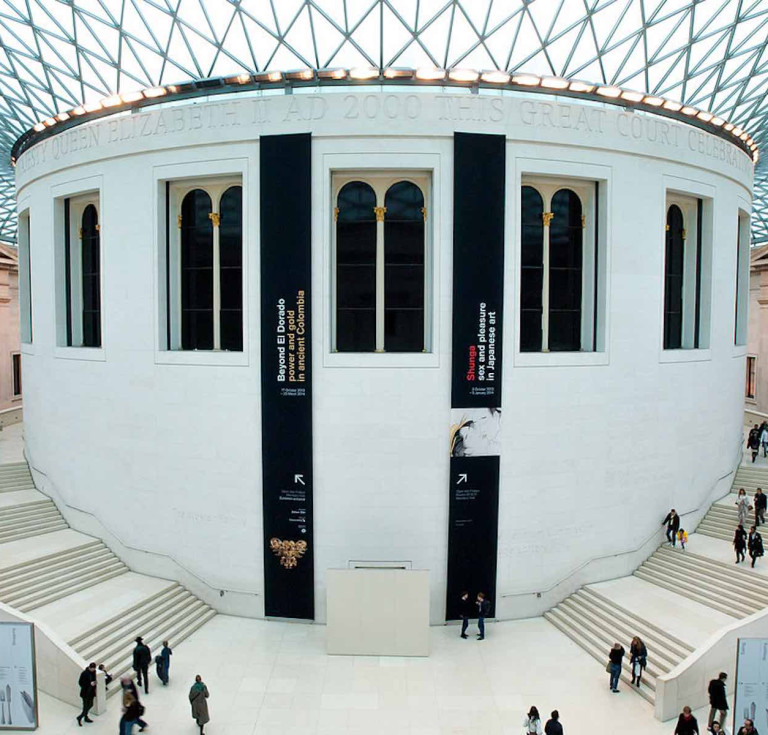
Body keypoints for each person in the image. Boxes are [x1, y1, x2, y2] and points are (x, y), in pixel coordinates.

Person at [76, 662, 96, 726]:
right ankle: (81, 717)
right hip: (85, 693)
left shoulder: (94, 672)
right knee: (85, 707)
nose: (93, 670)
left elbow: (94, 679)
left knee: (91, 704)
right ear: (89, 667)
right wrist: (89, 684)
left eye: (94, 669)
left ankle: (84, 716)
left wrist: (94, 683)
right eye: (92, 669)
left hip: (91, 692)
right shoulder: (84, 673)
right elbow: (80, 683)